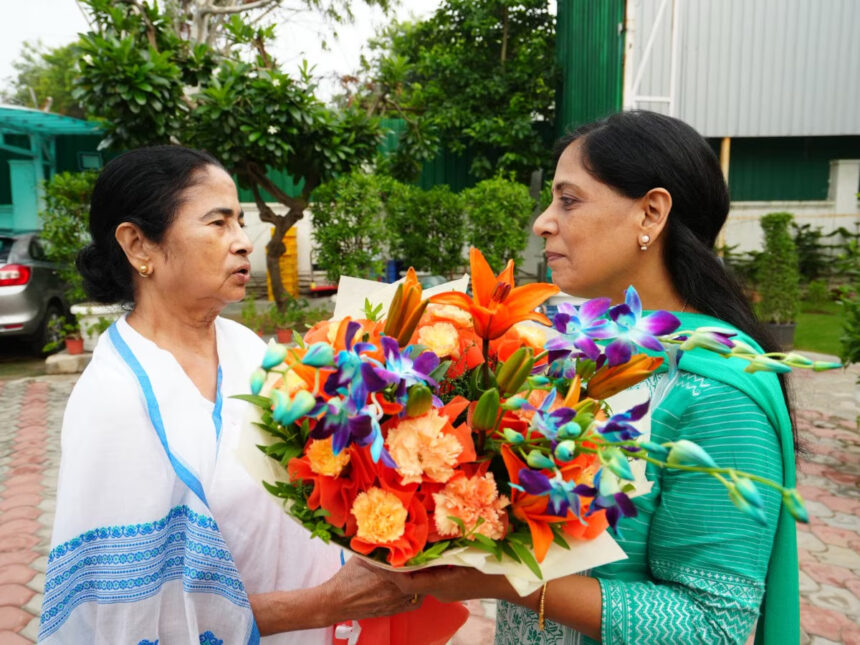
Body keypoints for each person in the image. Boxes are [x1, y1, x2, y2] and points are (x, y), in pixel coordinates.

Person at [391, 111, 798, 645]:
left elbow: (711, 623)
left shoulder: (716, 390)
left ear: (650, 213)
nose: (542, 222)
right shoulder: (572, 352)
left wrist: (510, 581)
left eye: (569, 200)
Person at [38, 146, 423, 644]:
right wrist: (327, 602)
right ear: (138, 246)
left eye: (240, 221)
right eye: (218, 223)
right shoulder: (114, 400)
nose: (243, 242)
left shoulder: (245, 348)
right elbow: (131, 621)